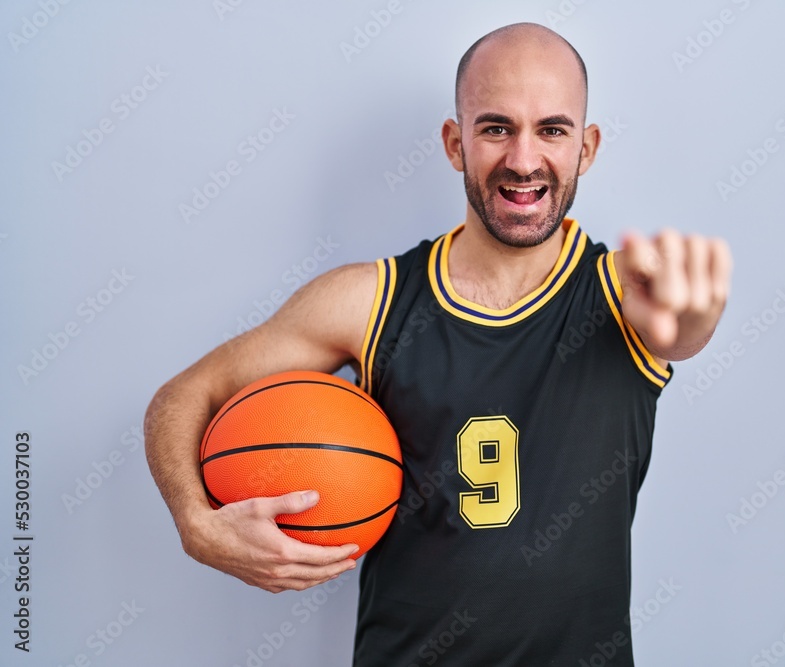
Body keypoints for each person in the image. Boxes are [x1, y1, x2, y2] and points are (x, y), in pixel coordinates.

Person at [144, 22, 731, 666]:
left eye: (552, 130)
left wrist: (695, 318)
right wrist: (197, 526)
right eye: (496, 127)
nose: (524, 159)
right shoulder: (369, 301)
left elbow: (684, 329)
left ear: (586, 148)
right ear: (456, 143)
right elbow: (182, 396)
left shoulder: (624, 292)